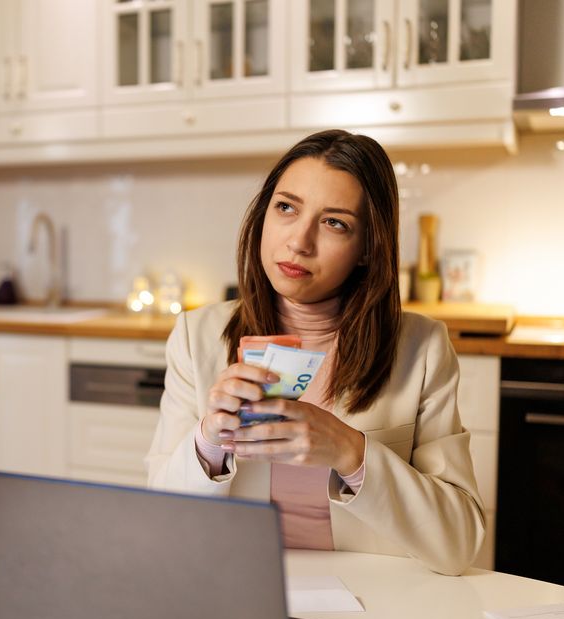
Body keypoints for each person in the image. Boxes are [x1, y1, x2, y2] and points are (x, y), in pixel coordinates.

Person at [145, 129, 485, 576]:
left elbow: (458, 545)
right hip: (236, 580)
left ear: (368, 248)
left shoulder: (422, 349)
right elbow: (158, 522)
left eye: (334, 223)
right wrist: (209, 440)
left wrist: (351, 452)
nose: (299, 242)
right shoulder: (196, 336)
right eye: (286, 208)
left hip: (371, 590)